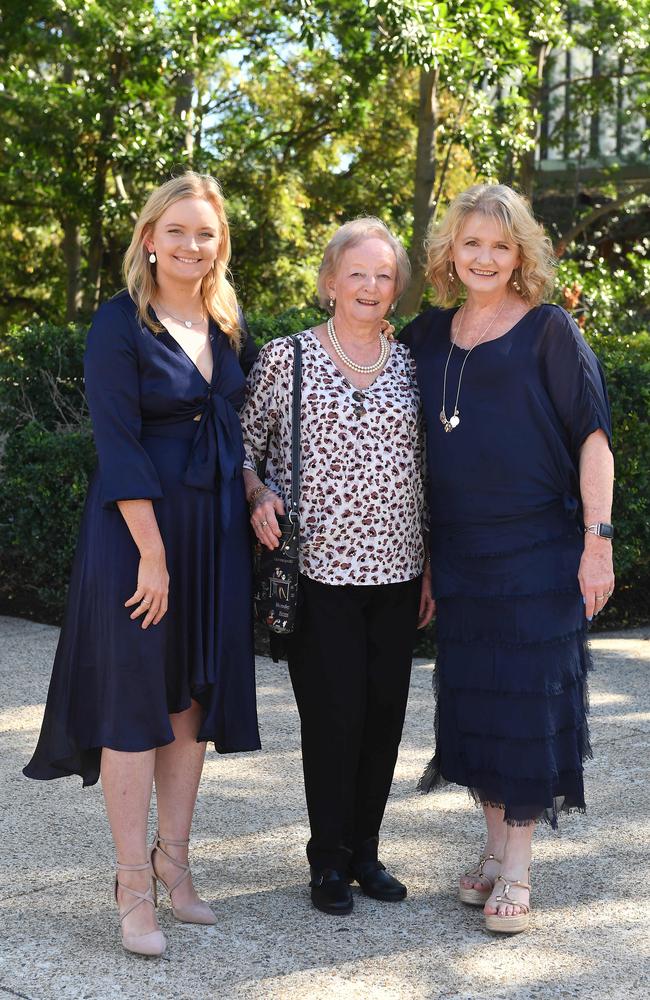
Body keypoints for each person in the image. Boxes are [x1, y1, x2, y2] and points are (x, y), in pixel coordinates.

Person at [24, 172, 261, 956]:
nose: (194, 245)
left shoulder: (227, 324)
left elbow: (237, 427)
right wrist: (152, 556)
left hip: (214, 531)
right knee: (134, 707)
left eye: (207, 233)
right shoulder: (118, 324)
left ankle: (176, 866)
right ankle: (131, 885)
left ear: (219, 245)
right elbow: (119, 446)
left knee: (190, 701)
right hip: (137, 539)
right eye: (179, 230)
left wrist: (255, 492)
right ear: (150, 238)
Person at [401, 184, 614, 934]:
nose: (484, 257)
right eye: (470, 244)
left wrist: (598, 543)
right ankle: (493, 851)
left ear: (520, 253)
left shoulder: (550, 330)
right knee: (479, 706)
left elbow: (593, 439)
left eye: (498, 244)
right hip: (460, 554)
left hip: (536, 551)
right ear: (449, 255)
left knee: (527, 706)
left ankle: (518, 870)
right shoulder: (426, 337)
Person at [239, 218, 435, 915]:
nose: (371, 286)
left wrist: (432, 566)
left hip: (399, 568)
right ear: (329, 282)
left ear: (398, 291)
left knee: (384, 716)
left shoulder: (414, 364)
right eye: (357, 273)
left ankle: (367, 853)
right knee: (333, 717)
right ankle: (328, 861)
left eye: (385, 276)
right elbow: (240, 446)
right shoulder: (285, 359)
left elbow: (433, 470)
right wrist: (257, 491)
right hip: (316, 571)